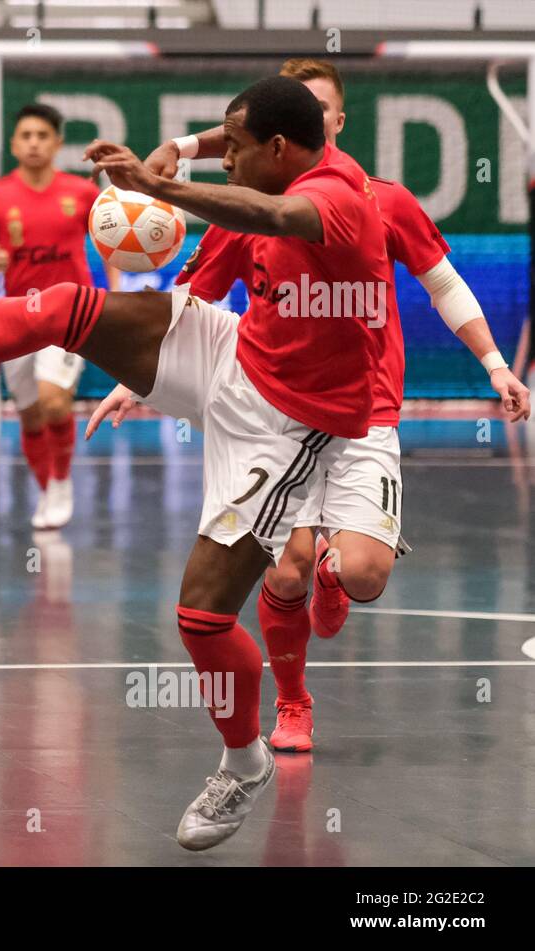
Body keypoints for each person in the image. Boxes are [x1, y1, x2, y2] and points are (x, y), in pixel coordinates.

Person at [0, 76, 394, 850]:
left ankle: (243, 762)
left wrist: (161, 187)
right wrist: (183, 146)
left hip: (297, 424)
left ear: (280, 150)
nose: (228, 159)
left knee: (202, 617)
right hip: (237, 352)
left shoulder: (338, 200)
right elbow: (240, 162)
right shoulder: (275, 155)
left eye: (238, 151)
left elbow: (273, 211)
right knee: (62, 307)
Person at [90, 58, 531, 753]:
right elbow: (197, 296)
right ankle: (292, 701)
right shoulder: (245, 204)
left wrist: (496, 366)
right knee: (284, 567)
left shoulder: (379, 201)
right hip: (283, 413)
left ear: (334, 122)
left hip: (368, 411)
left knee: (361, 574)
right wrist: (140, 376)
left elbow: (444, 285)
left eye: (323, 106)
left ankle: (335, 568)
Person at [0, 103, 121, 528]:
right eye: (26, 135)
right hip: (16, 316)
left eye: (42, 135)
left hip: (70, 312)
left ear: (57, 143)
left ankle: (64, 481)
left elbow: (112, 242)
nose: (34, 143)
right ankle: (47, 488)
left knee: (54, 401)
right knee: (31, 414)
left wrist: (116, 291)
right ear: (15, 144)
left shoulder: (83, 193)